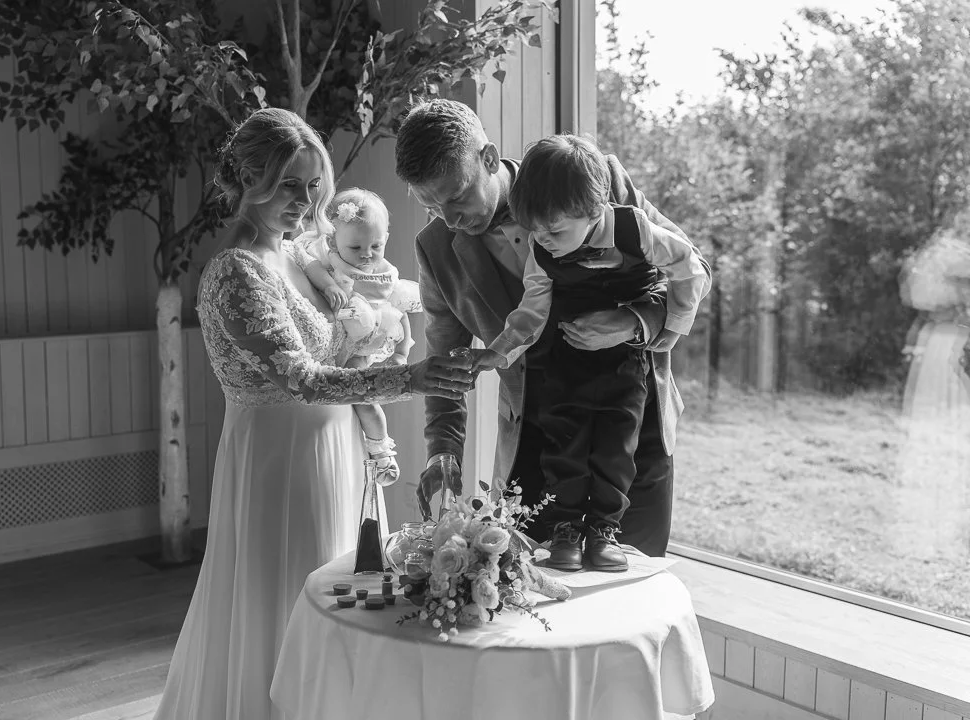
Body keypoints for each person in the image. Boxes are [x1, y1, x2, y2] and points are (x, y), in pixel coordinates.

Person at [154, 107, 474, 720]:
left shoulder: (302, 256)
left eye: (312, 184)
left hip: (338, 448)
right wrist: (409, 377)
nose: (305, 200)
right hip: (279, 458)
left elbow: (349, 331)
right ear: (248, 181)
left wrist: (386, 333)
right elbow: (300, 378)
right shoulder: (236, 273)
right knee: (286, 595)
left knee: (349, 595)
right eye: (288, 184)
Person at [394, 98, 710, 556]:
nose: (450, 219)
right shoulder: (436, 248)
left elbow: (692, 267)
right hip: (536, 440)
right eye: (431, 205)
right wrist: (443, 448)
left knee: (631, 587)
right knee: (537, 599)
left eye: (458, 196)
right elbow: (445, 359)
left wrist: (632, 321)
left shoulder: (587, 175)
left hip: (630, 421)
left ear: (488, 158)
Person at [469, 134, 709, 571]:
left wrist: (669, 328)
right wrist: (499, 352)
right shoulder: (543, 249)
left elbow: (690, 267)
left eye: (555, 231)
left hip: (624, 367)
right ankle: (565, 530)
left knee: (617, 449)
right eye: (535, 231)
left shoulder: (636, 229)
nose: (544, 240)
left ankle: (603, 531)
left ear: (594, 210)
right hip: (564, 366)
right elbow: (531, 310)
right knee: (566, 449)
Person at [296, 187, 423, 485]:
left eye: (376, 246)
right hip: (338, 341)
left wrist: (402, 351)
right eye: (356, 248)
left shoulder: (384, 273)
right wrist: (329, 286)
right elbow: (311, 267)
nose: (367, 255)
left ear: (385, 240)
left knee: (364, 399)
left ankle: (381, 449)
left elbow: (399, 311)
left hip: (365, 345)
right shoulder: (328, 261)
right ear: (332, 241)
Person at [897, 221, 970, 560]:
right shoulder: (944, 258)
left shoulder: (951, 257)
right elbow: (915, 295)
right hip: (943, 347)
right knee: (934, 436)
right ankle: (930, 529)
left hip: (951, 346)